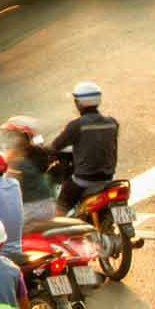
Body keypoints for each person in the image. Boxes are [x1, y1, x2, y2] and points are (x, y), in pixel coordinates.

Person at [50, 81, 121, 212]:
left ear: (78, 103)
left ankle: (58, 230)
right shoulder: (112, 123)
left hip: (84, 180)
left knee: (59, 209)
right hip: (108, 178)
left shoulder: (77, 125)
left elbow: (55, 146)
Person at [2, 116, 57, 228]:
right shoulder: (36, 153)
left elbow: (10, 191)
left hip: (31, 209)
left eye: (14, 135)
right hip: (46, 205)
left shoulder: (17, 160)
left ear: (24, 137)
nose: (12, 139)